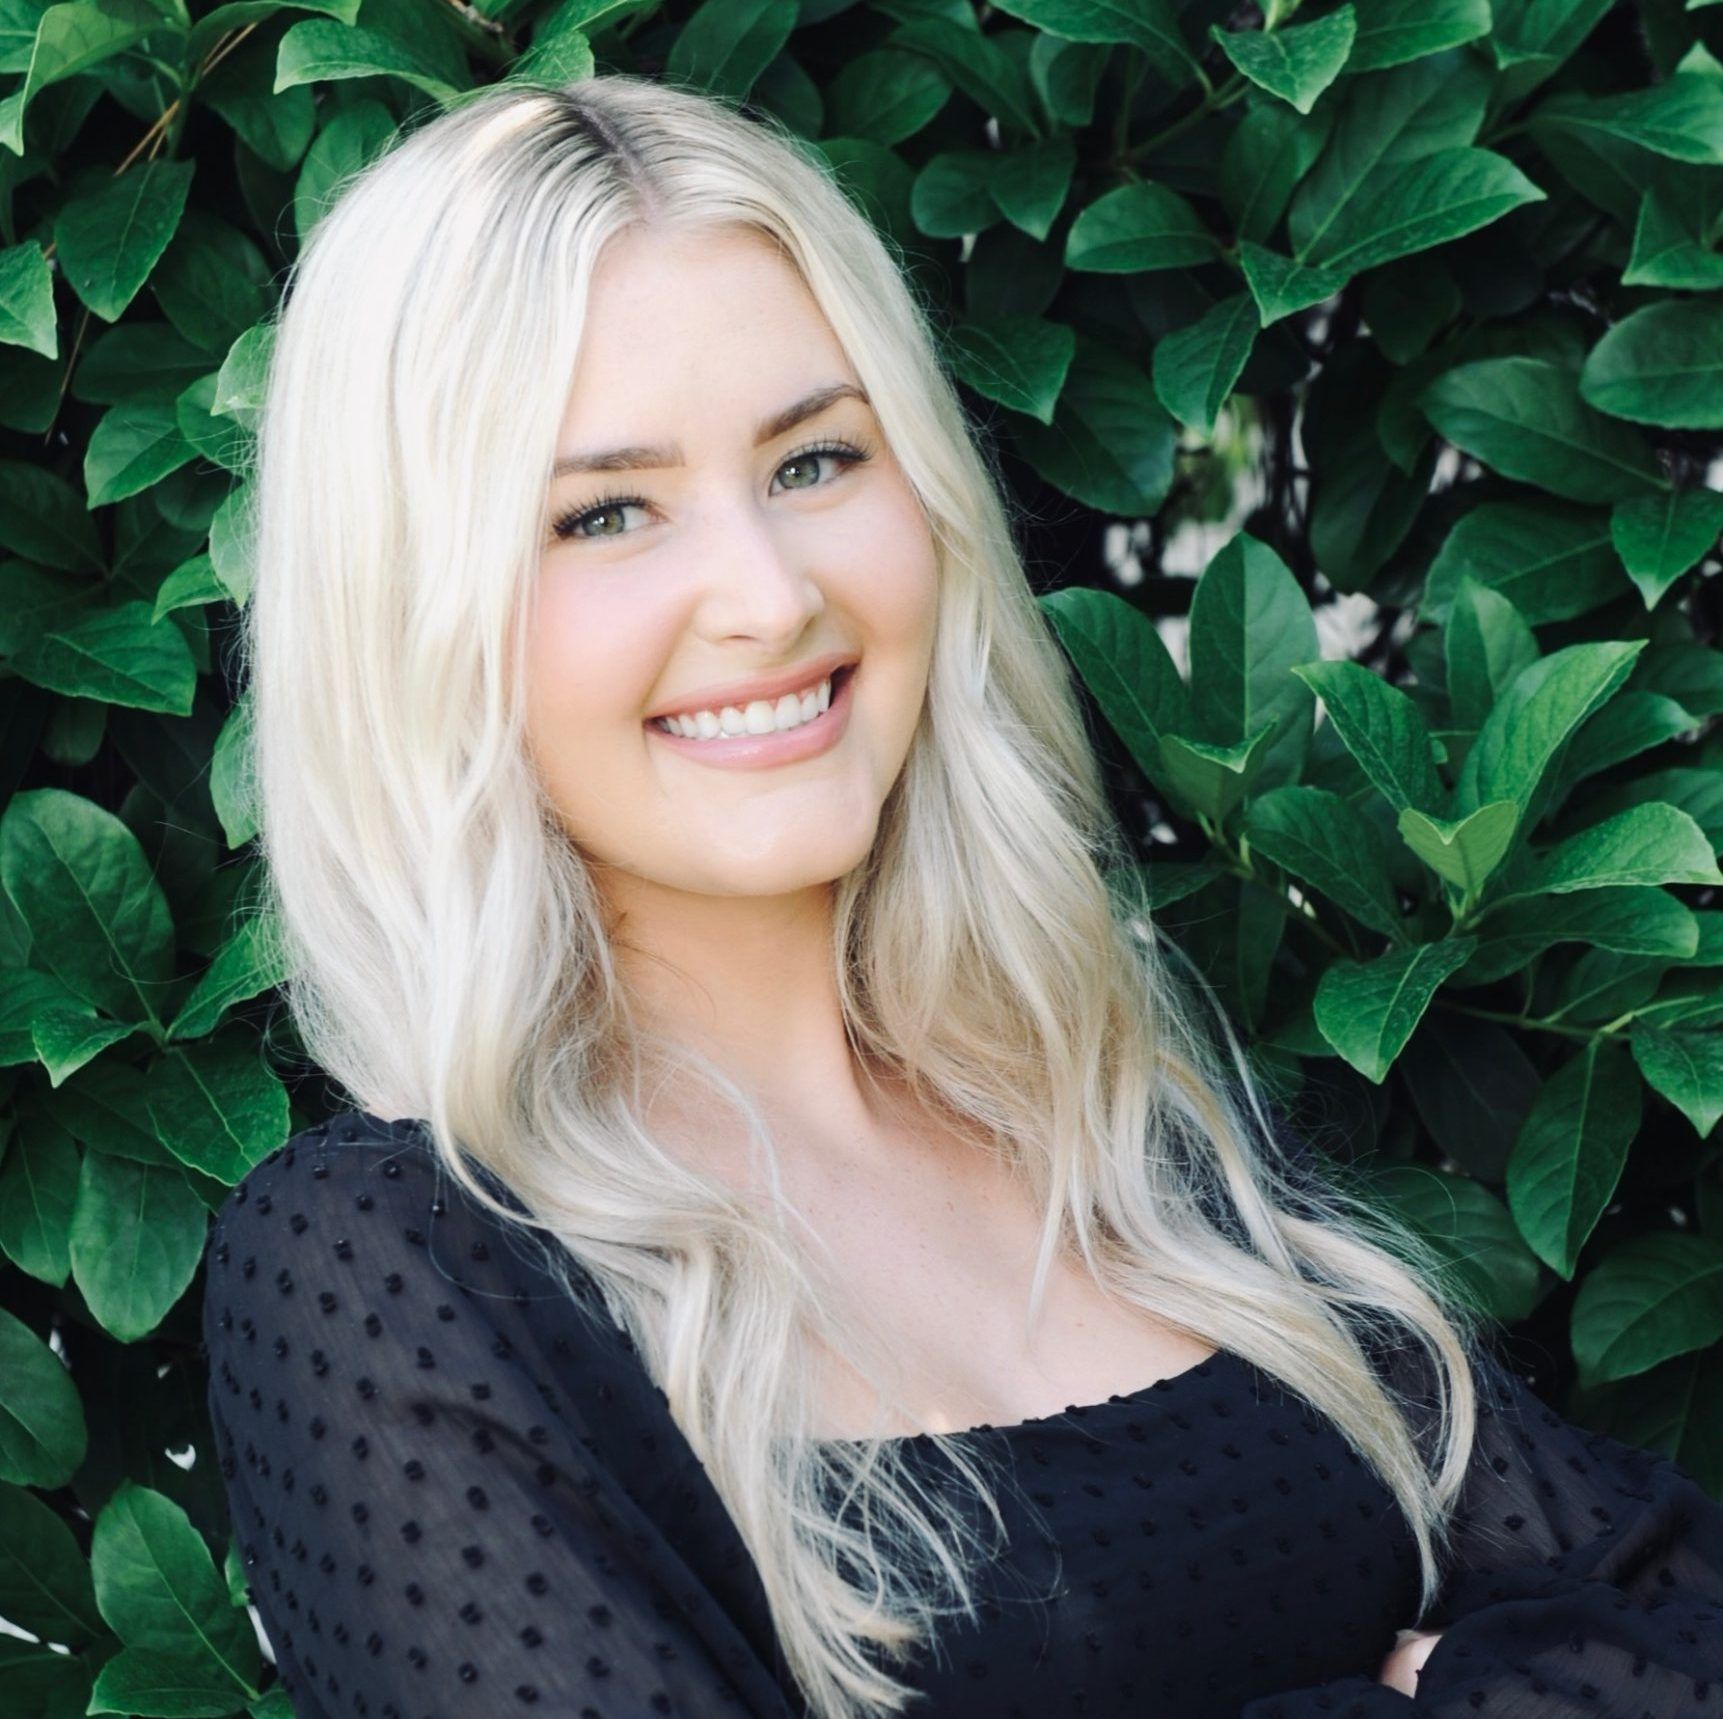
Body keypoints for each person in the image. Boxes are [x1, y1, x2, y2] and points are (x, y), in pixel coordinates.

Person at [202, 71, 1723, 1719]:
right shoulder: (390, 1268)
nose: (770, 598)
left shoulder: (1112, 1117)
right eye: (606, 512)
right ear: (417, 620)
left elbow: (1681, 1605)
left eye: (814, 462)